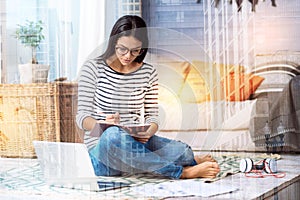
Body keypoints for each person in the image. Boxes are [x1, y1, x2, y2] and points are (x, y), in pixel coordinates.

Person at [76, 15, 220, 179]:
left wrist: (148, 131)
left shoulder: (147, 72)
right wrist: (102, 126)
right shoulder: (93, 68)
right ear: (113, 42)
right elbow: (82, 117)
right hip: (103, 150)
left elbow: (152, 115)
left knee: (184, 152)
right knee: (114, 135)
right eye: (122, 49)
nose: (128, 56)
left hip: (134, 142)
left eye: (135, 50)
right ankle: (181, 172)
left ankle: (151, 163)